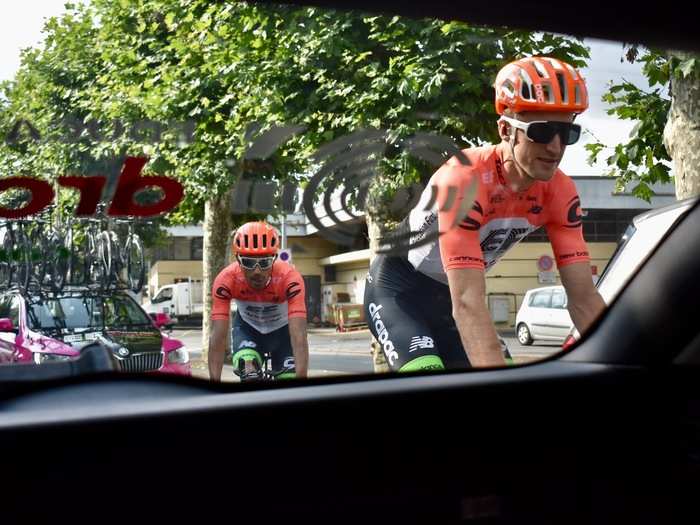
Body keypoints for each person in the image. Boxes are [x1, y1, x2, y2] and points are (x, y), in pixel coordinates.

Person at [363, 56, 606, 372]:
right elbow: (466, 302)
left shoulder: (559, 191)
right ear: (506, 130)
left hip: (449, 297)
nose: (556, 147)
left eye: (566, 132)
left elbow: (585, 299)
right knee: (429, 378)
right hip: (398, 290)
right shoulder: (463, 180)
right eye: (542, 132)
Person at [208, 221, 309, 381]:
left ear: (274, 259)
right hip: (248, 329)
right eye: (248, 262)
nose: (257, 271)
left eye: (264, 262)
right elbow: (218, 337)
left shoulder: (289, 278)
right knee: (249, 371)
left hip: (283, 333)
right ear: (238, 259)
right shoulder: (226, 280)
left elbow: (299, 335)